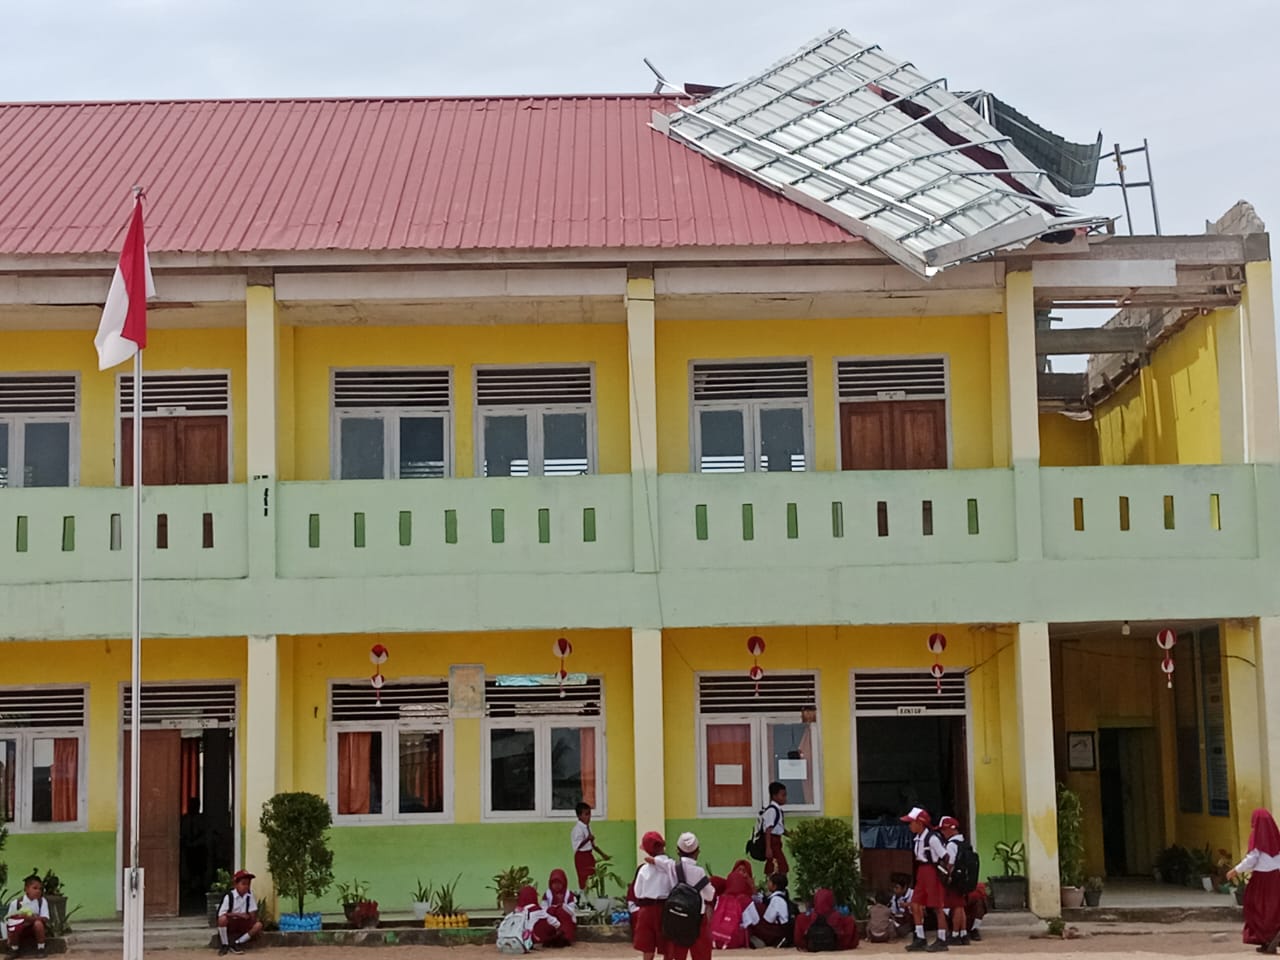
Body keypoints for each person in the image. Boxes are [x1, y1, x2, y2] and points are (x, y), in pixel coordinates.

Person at [1228, 808, 1280, 953]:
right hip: (1276, 879)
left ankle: (1265, 938)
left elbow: (1251, 860)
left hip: (1261, 881)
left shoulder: (1257, 839)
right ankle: (1271, 938)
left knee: (1256, 909)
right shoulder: (1277, 839)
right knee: (1274, 909)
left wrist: (1235, 870)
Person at [900, 807, 948, 952]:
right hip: (922, 872)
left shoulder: (932, 839)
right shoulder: (918, 838)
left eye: (911, 822)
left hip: (932, 872)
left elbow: (945, 856)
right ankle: (920, 938)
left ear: (920, 823)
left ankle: (942, 940)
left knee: (937, 907)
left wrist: (946, 874)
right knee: (915, 904)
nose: (909, 825)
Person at [663, 832, 716, 960]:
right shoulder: (699, 872)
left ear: (677, 851)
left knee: (678, 953)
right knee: (701, 953)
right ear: (697, 851)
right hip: (697, 918)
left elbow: (659, 862)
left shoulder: (671, 867)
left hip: (675, 916)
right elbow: (710, 895)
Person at [631, 831, 675, 960]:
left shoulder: (643, 869)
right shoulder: (671, 866)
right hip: (666, 910)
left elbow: (637, 892)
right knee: (667, 946)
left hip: (646, 911)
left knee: (647, 947)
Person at [937, 817, 969, 947]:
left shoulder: (951, 845)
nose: (942, 832)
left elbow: (950, 864)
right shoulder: (965, 843)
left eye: (944, 829)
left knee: (956, 907)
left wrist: (945, 877)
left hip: (954, 880)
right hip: (964, 879)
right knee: (961, 906)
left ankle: (955, 934)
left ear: (952, 829)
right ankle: (963, 933)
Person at [215, 870, 262, 956]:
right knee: (222, 919)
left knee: (258, 925)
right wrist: (238, 915)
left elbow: (253, 914)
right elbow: (221, 914)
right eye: (243, 884)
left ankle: (238, 942)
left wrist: (251, 916)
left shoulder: (250, 896)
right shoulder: (229, 896)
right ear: (236, 885)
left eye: (248, 884)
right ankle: (225, 944)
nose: (246, 886)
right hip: (232, 923)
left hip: (243, 923)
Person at [710, 868, 754, 950]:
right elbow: (755, 920)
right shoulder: (745, 900)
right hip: (736, 941)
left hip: (716, 939)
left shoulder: (720, 898)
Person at [5, 874, 49, 956]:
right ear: (26, 889)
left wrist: (30, 918)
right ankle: (14, 949)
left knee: (38, 924)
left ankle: (41, 948)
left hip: (35, 930)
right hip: (21, 930)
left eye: (40, 889)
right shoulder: (16, 903)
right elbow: (9, 920)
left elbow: (45, 919)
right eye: (35, 888)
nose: (38, 891)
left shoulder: (42, 901)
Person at [572, 802, 609, 898]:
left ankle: (593, 897)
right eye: (586, 814)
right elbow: (577, 846)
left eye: (589, 814)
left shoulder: (588, 828)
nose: (589, 817)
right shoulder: (577, 829)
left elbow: (592, 845)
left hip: (589, 855)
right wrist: (587, 839)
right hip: (581, 856)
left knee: (593, 877)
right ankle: (582, 897)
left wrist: (602, 854)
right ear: (579, 816)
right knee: (583, 879)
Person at [745, 873, 792, 947]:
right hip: (782, 929)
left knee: (755, 924)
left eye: (769, 882)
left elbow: (769, 919)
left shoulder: (776, 899)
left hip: (780, 931)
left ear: (774, 886)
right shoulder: (782, 896)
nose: (767, 884)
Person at [541, 869, 577, 947]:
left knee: (561, 911)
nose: (556, 885)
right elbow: (543, 910)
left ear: (564, 883)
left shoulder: (569, 894)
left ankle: (564, 938)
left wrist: (562, 905)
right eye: (554, 883)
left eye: (559, 883)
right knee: (550, 912)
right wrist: (553, 911)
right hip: (551, 919)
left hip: (564, 921)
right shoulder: (547, 894)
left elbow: (572, 912)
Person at [759, 782, 789, 876]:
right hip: (772, 842)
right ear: (774, 796)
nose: (785, 798)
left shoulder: (778, 810)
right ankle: (774, 882)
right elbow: (768, 830)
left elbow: (779, 828)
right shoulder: (772, 810)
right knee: (778, 867)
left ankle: (775, 881)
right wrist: (768, 848)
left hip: (776, 842)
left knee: (779, 866)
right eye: (782, 795)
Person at [888, 875, 914, 940]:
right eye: (893, 887)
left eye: (897, 888)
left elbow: (921, 907)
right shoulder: (895, 897)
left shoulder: (913, 894)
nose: (894, 890)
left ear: (904, 887)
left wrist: (907, 905)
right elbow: (893, 911)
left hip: (912, 920)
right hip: (900, 920)